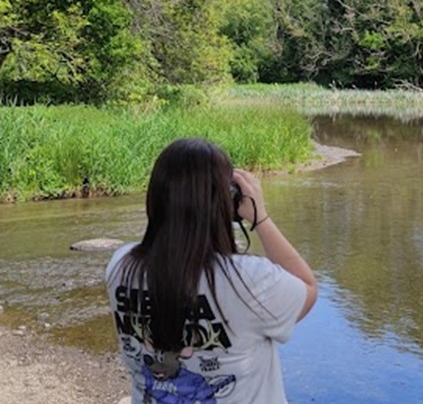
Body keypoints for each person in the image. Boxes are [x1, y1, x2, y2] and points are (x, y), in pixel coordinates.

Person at [105, 137, 318, 404]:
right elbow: (306, 288)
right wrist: (260, 216)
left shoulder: (121, 266)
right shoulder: (248, 279)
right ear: (226, 201)